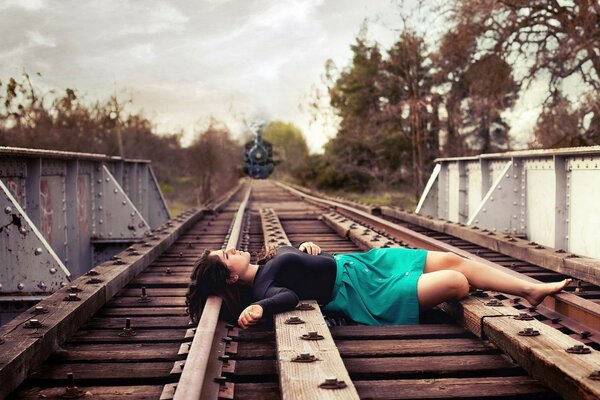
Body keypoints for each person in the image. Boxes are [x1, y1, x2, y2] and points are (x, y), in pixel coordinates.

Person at [185, 242, 571, 329]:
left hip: (364, 263)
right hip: (365, 293)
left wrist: (306, 248)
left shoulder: (267, 263)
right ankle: (418, 293)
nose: (232, 249)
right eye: (226, 255)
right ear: (232, 276)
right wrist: (260, 309)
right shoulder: (263, 287)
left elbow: (300, 264)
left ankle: (529, 288)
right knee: (456, 282)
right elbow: (288, 296)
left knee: (452, 261)